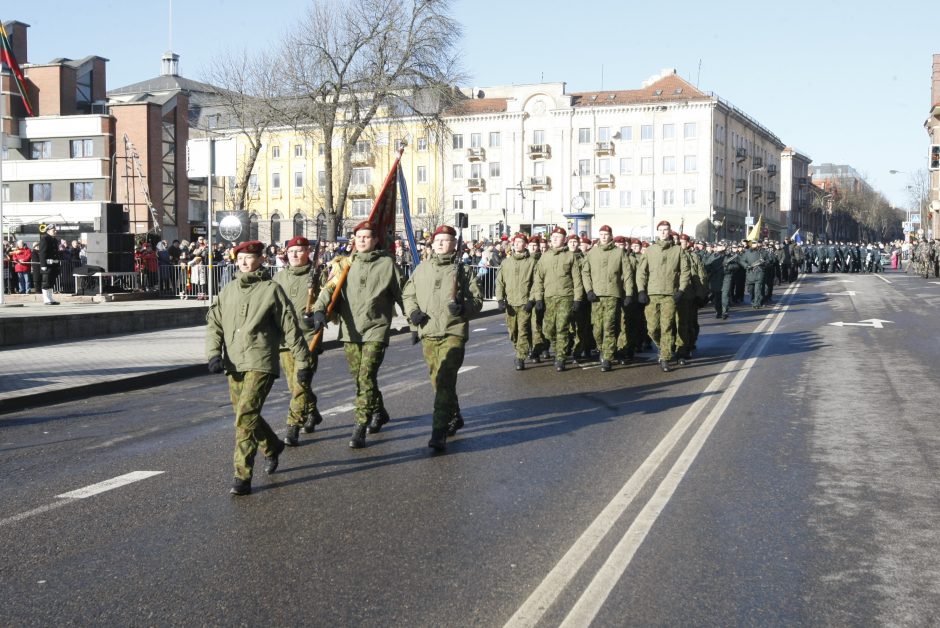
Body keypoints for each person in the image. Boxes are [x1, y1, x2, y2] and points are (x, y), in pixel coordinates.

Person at [205, 240, 311, 496]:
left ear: (261, 259)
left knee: (245, 416)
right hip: (233, 362)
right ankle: (272, 445)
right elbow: (214, 325)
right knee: (246, 414)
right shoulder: (227, 291)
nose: (243, 261)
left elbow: (289, 327)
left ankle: (242, 475)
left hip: (260, 361)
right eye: (240, 256)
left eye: (249, 256)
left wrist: (303, 361)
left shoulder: (271, 289)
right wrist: (213, 354)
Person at [306, 221, 402, 449]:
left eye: (367, 237)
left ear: (376, 240)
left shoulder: (387, 265)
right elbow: (329, 289)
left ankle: (360, 425)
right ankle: (379, 411)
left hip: (376, 328)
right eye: (358, 237)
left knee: (366, 376)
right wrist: (319, 310)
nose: (362, 240)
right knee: (360, 378)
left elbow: (403, 293)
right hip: (350, 330)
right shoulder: (344, 264)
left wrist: (416, 322)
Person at [403, 225, 483, 451]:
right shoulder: (422, 269)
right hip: (429, 331)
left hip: (453, 331)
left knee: (445, 379)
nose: (440, 243)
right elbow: (408, 294)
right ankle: (454, 416)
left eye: (446, 240)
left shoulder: (463, 271)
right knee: (438, 381)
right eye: (437, 240)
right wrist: (413, 315)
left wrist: (463, 308)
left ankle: (438, 432)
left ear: (454, 244)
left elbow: (476, 301)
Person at [273, 236, 324, 447]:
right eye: (291, 251)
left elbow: (331, 301)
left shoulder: (319, 276)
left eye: (299, 251)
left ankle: (293, 426)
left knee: (300, 383)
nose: (294, 255)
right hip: (285, 339)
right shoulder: (278, 277)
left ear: (308, 253)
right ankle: (313, 411)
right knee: (294, 385)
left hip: (308, 338)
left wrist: (319, 315)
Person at [635, 220, 690, 372]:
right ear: (658, 232)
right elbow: (641, 272)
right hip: (652, 294)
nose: (664, 232)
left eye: (666, 230)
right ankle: (664, 346)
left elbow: (685, 271)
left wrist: (681, 290)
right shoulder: (650, 250)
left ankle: (665, 357)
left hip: (670, 295)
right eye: (661, 230)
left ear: (670, 231)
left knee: (666, 326)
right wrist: (641, 290)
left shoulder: (678, 250)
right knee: (652, 328)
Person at [581, 225, 633, 372]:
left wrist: (628, 293)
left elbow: (627, 274)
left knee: (609, 326)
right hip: (596, 296)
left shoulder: (619, 252)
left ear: (611, 236)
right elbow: (585, 272)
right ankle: (602, 348)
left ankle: (607, 357)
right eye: (601, 234)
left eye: (606, 234)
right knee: (597, 329)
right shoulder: (592, 253)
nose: (604, 236)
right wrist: (589, 290)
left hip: (612, 294)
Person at [532, 227, 584, 372]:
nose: (554, 239)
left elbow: (577, 279)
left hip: (565, 297)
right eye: (553, 236)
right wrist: (538, 298)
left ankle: (560, 357)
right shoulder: (545, 257)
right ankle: (559, 348)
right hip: (549, 298)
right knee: (549, 330)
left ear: (564, 239)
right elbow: (538, 280)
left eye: (558, 236)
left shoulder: (570, 256)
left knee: (562, 327)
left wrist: (578, 299)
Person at [495, 232, 537, 370]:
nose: (518, 244)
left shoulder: (531, 262)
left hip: (525, 303)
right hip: (511, 304)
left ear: (525, 244)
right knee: (513, 332)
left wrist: (532, 300)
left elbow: (536, 283)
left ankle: (520, 357)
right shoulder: (506, 263)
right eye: (516, 242)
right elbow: (500, 282)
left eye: (520, 242)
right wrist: (500, 299)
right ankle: (523, 347)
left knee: (523, 330)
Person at [38, 224, 61, 305]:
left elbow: (56, 252)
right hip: (47, 264)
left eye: (55, 230)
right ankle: (46, 299)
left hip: (53, 264)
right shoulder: (45, 239)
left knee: (51, 282)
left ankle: (50, 298)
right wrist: (43, 265)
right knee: (46, 282)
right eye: (53, 230)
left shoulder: (54, 240)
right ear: (48, 231)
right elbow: (42, 253)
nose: (55, 231)